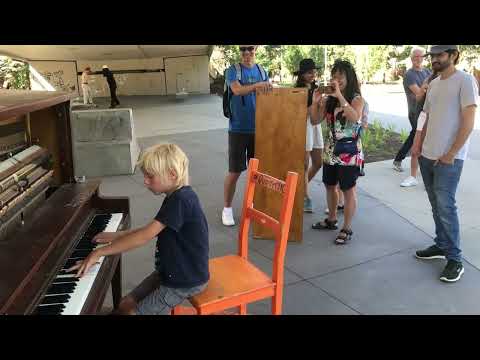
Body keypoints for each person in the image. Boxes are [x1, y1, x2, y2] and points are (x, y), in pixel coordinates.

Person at [67, 143, 210, 314]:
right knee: (125, 304)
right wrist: (117, 235)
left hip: (185, 281)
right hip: (169, 272)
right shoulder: (176, 197)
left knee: (133, 313)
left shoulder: (181, 201)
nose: (145, 182)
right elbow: (152, 229)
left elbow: (144, 236)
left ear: (172, 175)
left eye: (150, 177)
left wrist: (98, 252)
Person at [412, 45, 478, 282]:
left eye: (440, 55)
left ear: (453, 55)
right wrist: (418, 144)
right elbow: (426, 116)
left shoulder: (465, 80)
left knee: (446, 207)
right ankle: (441, 244)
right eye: (432, 56)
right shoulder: (435, 83)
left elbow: (469, 121)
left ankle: (455, 259)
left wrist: (451, 153)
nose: (435, 60)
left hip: (449, 159)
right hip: (428, 155)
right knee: (435, 204)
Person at [311, 59, 365, 245]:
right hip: (330, 150)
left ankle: (346, 228)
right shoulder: (330, 101)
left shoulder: (357, 99)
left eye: (340, 76)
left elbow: (354, 118)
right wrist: (316, 103)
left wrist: (340, 96)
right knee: (329, 185)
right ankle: (332, 219)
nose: (336, 80)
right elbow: (314, 120)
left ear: (348, 78)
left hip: (349, 152)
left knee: (348, 189)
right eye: (334, 76)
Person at [221, 45, 271, 226]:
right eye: (243, 49)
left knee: (256, 172)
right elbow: (237, 90)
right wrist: (258, 85)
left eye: (250, 49)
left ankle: (252, 204)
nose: (247, 53)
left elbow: (269, 96)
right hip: (238, 129)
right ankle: (227, 208)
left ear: (256, 49)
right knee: (234, 171)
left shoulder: (262, 70)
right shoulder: (233, 71)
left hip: (259, 129)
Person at [393, 48, 431, 176]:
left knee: (416, 136)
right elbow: (419, 92)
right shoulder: (409, 75)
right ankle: (399, 160)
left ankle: (399, 159)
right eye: (415, 57)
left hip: (426, 111)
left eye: (420, 56)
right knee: (416, 136)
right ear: (411, 58)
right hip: (415, 112)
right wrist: (428, 87)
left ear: (424, 58)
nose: (418, 59)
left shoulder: (427, 71)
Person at [293, 59, 324, 213]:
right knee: (304, 164)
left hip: (315, 126)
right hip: (304, 126)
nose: (313, 74)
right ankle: (305, 196)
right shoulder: (297, 90)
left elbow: (319, 112)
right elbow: (296, 112)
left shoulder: (317, 88)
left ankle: (299, 188)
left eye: (314, 71)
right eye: (309, 72)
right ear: (302, 74)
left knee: (318, 162)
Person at [401, 67, 439, 187]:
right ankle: (413, 177)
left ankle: (433, 179)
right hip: (422, 115)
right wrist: (424, 89)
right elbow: (418, 97)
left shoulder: (448, 81)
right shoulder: (430, 78)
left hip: (436, 118)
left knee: (434, 150)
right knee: (415, 148)